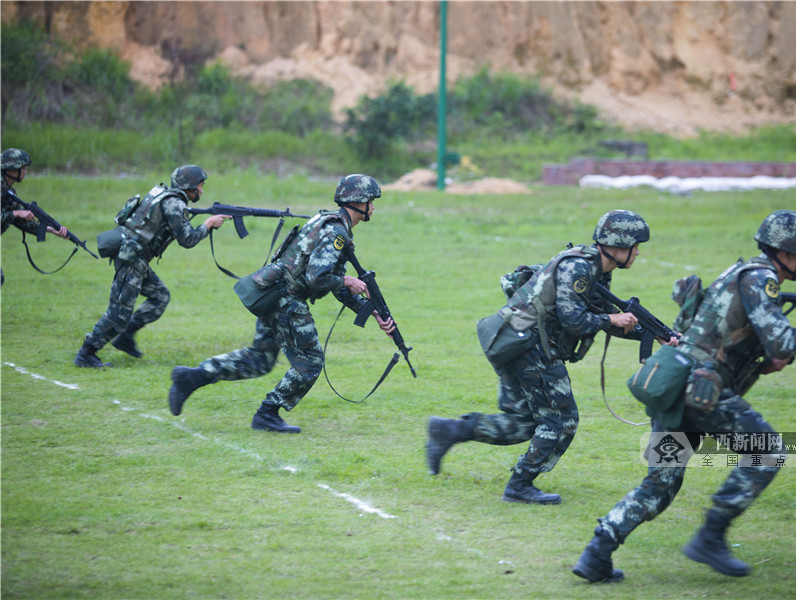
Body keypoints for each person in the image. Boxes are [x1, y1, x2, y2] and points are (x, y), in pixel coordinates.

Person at [572, 210, 796, 583]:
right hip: (704, 394)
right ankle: (710, 537)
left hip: (677, 390)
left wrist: (768, 362)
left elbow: (734, 338)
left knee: (660, 483)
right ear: (785, 252)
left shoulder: (740, 272)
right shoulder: (762, 279)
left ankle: (596, 554)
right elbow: (782, 341)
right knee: (767, 451)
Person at [426, 210, 675, 504]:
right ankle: (519, 486)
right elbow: (576, 322)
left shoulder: (597, 270)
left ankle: (449, 430)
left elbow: (599, 316)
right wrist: (612, 320)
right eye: (636, 246)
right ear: (619, 245)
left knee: (523, 422)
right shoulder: (579, 268)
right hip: (531, 347)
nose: (637, 253)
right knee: (561, 421)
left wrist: (654, 335)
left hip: (516, 343)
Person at [166, 174, 396, 434]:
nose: (373, 207)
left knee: (260, 359)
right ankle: (267, 414)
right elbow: (318, 277)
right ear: (357, 202)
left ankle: (191, 377)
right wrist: (346, 281)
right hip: (286, 299)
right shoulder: (336, 232)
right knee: (310, 361)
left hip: (274, 292)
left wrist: (373, 312)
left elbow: (333, 282)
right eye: (371, 201)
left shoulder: (329, 222)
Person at [73, 165, 229, 368]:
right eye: (200, 185)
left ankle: (126, 336)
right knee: (119, 313)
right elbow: (187, 239)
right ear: (189, 185)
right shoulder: (174, 203)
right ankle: (86, 353)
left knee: (160, 296)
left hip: (136, 259)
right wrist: (207, 225)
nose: (202, 190)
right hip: (132, 260)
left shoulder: (168, 196)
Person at [1, 148, 69, 284]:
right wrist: (16, 213)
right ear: (11, 169)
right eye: (22, 168)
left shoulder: (7, 190)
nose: (25, 172)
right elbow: (14, 215)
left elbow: (21, 222)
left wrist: (51, 230)